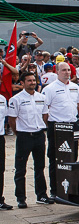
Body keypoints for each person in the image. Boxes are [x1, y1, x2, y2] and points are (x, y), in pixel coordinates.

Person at [9, 72, 50, 208]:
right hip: (24, 136)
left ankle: (42, 195)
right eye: (29, 81)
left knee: (40, 167)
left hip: (39, 135)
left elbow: (45, 116)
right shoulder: (16, 99)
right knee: (20, 169)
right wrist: (19, 133)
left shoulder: (41, 97)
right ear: (22, 83)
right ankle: (21, 198)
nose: (32, 83)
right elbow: (12, 120)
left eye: (34, 80)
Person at [42, 62, 79, 199]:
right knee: (55, 159)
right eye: (63, 70)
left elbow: (78, 105)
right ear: (57, 72)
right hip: (57, 126)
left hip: (72, 125)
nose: (67, 73)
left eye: (69, 70)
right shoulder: (49, 89)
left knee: (72, 157)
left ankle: (71, 189)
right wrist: (50, 126)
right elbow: (44, 111)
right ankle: (54, 190)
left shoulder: (75, 87)